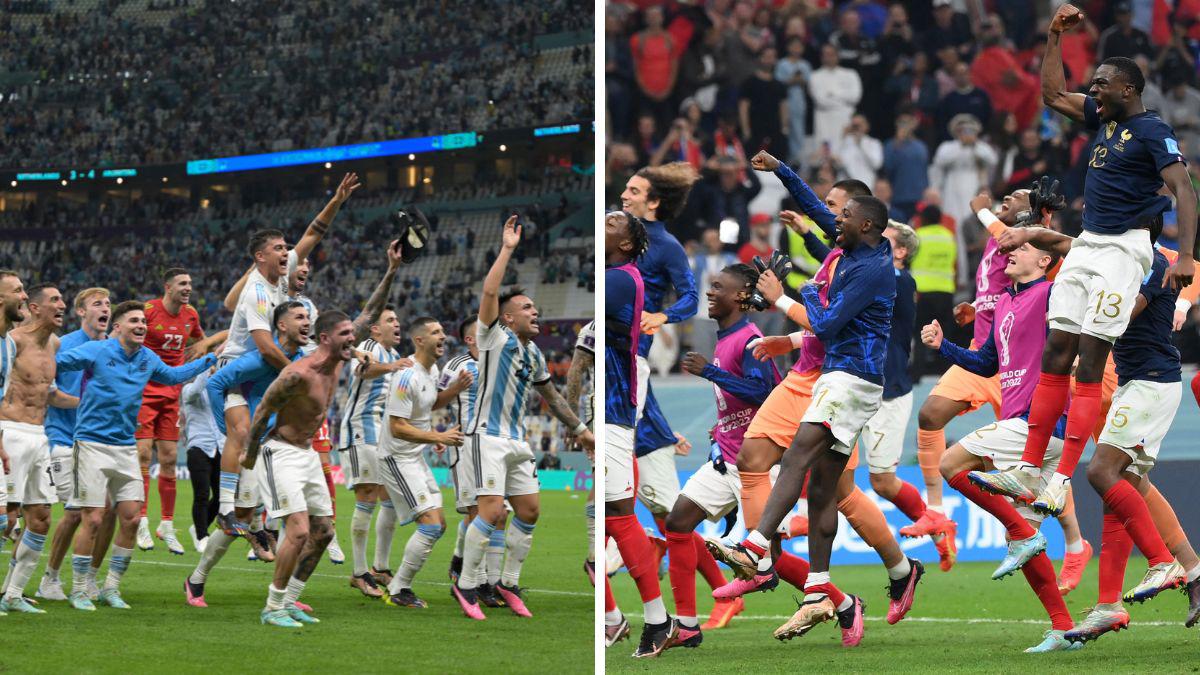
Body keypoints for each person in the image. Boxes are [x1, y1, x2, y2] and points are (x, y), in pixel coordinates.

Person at [974, 5, 1198, 520]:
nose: (1093, 91)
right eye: (1093, 84)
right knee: (1057, 351)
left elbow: (1183, 190)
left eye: (1102, 84)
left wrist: (1184, 254)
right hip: (1089, 242)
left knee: (1091, 358)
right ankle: (1030, 468)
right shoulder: (1105, 120)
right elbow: (1051, 94)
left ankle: (1061, 478)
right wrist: (1054, 35)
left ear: (1128, 89)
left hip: (1125, 249)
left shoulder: (1152, 130)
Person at [716, 153, 921, 639]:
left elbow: (826, 322)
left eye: (842, 214)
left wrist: (789, 293)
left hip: (850, 378)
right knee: (824, 488)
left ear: (867, 223)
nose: (833, 221)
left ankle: (756, 546)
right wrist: (783, 170)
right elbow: (814, 211)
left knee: (797, 459)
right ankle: (835, 582)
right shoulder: (849, 251)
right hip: (836, 373)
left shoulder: (873, 269)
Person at [996, 223, 1200, 637]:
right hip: (1133, 383)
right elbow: (1071, 246)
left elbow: (1120, 316)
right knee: (1117, 489)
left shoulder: (1154, 263)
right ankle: (1120, 601)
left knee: (1100, 473)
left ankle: (1164, 562)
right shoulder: (1121, 258)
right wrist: (1034, 231)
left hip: (1152, 383)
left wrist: (1076, 323)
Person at [919, 237, 1082, 653]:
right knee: (1025, 546)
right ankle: (1063, 629)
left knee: (951, 463)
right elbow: (987, 363)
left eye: (1023, 249)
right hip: (1027, 429)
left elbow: (1076, 337)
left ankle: (1021, 530)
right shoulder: (1005, 304)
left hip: (1039, 423)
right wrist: (944, 348)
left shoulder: (1051, 293)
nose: (1012, 253)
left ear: (1045, 260)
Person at [451, 215, 594, 620]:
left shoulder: (533, 354)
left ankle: (507, 582)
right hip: (486, 438)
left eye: (535, 307)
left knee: (530, 511)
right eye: (527, 307)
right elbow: (491, 290)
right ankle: (465, 586)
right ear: (507, 317)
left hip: (517, 441)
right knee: (491, 512)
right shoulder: (493, 338)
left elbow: (551, 395)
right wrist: (508, 248)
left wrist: (583, 431)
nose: (536, 311)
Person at [214, 174, 357, 536]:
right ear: (260, 257)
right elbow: (263, 345)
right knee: (244, 431)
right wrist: (299, 370)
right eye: (279, 248)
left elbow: (314, 233)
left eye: (285, 248)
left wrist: (337, 200)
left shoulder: (281, 277)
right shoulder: (257, 292)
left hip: (265, 371)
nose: (287, 252)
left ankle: (262, 513)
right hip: (236, 368)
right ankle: (226, 509)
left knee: (270, 436)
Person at [56, 300, 215, 611]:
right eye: (134, 321)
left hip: (125, 446)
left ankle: (110, 588)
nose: (141, 326)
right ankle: (77, 589)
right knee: (94, 518)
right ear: (117, 327)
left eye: (143, 321)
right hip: (91, 444)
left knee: (130, 518)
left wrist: (207, 360)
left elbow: (172, 376)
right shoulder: (97, 350)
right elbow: (59, 363)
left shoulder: (147, 357)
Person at [663, 263, 782, 649]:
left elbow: (763, 393)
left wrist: (710, 374)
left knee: (768, 562)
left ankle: (840, 602)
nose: (710, 293)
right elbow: (738, 403)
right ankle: (686, 625)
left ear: (740, 296)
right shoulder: (726, 336)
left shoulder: (750, 338)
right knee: (678, 522)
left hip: (757, 463)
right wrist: (722, 428)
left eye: (718, 287)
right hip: (727, 456)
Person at [185, 301, 311, 607]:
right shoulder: (257, 362)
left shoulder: (303, 358)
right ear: (281, 325)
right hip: (256, 446)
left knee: (305, 523)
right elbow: (216, 383)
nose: (307, 321)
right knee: (239, 519)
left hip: (281, 448)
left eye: (308, 317)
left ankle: (285, 595)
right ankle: (196, 579)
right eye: (300, 317)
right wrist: (223, 427)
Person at [242, 310, 357, 628]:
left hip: (306, 454)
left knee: (323, 532)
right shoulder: (298, 374)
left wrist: (391, 270)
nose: (352, 338)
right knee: (299, 530)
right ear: (325, 338)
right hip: (280, 452)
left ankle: (290, 601)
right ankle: (272, 607)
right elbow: (264, 410)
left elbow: (369, 315)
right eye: (345, 333)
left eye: (352, 332)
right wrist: (249, 455)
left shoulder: (337, 362)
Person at [600, 210, 677, 656]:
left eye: (611, 223)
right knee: (608, 519)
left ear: (627, 244)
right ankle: (624, 620)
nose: (603, 224)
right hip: (606, 409)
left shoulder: (623, 278)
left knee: (618, 515)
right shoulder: (617, 274)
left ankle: (657, 620)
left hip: (614, 408)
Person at [378, 316, 471, 609]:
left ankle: (397, 585)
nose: (443, 336)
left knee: (439, 524)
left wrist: (455, 390)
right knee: (430, 525)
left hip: (414, 456)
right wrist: (436, 437)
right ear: (419, 340)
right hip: (397, 457)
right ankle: (397, 589)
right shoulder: (407, 376)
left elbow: (430, 404)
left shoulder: (431, 372)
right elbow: (397, 427)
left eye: (443, 330)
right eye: (435, 332)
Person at [0, 284, 78, 614]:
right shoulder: (13, 341)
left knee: (42, 518)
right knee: (4, 519)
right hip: (10, 432)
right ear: (34, 307)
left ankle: (13, 594)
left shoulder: (55, 344)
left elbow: (50, 393)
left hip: (39, 435)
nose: (63, 305)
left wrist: (87, 403)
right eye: (55, 300)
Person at [135, 268, 223, 554]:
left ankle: (167, 525)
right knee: (144, 454)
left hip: (172, 393)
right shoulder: (148, 311)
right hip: (145, 390)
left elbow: (201, 340)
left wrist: (204, 355)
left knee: (171, 458)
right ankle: (142, 521)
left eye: (190, 283)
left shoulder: (190, 315)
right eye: (182, 283)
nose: (188, 288)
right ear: (167, 287)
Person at [38, 287, 109, 602]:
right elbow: (51, 395)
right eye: (97, 304)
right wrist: (92, 405)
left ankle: (88, 578)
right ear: (81, 312)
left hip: (99, 441)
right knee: (76, 511)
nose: (105, 308)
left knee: (104, 513)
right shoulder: (64, 345)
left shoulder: (114, 348)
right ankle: (49, 579)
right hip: (63, 437)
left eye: (108, 303)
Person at [339, 306, 409, 598]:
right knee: (367, 496)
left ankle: (380, 565)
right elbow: (363, 370)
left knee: (390, 496)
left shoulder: (394, 357)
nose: (397, 324)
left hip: (382, 433)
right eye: (390, 320)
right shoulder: (368, 347)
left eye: (397, 319)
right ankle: (359, 571)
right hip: (360, 429)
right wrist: (392, 368)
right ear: (375, 329)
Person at [564, 319, 595, 585]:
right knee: (603, 479)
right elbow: (576, 371)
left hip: (627, 408)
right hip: (602, 409)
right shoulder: (594, 327)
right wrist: (572, 420)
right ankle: (596, 558)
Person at [180, 367, 222, 554]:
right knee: (202, 494)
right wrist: (205, 368)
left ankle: (199, 526)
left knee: (223, 496)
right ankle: (201, 535)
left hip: (219, 447)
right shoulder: (188, 390)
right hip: (198, 448)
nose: (212, 371)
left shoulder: (218, 391)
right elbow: (197, 389)